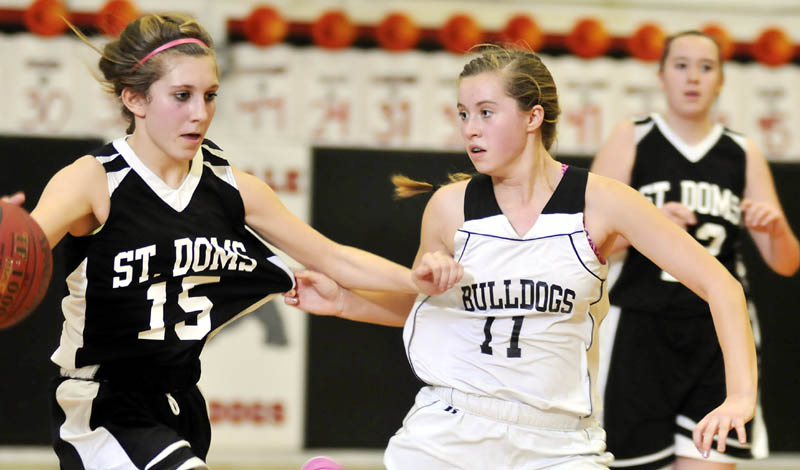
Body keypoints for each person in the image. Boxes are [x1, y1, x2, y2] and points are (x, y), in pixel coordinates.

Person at [284, 45, 759, 470]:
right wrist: (347, 302)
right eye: (463, 114)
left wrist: (740, 395)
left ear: (533, 117)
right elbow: (427, 309)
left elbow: (722, 286)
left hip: (560, 441)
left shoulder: (604, 201)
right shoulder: (450, 207)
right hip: (453, 428)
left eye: (487, 112)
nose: (471, 129)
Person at [31, 14, 458, 470]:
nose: (200, 112)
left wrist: (414, 280)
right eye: (182, 96)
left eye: (210, 95)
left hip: (182, 403)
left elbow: (332, 258)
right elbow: (23, 249)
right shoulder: (92, 181)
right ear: (134, 98)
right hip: (102, 402)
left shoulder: (232, 186)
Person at [591, 31, 800, 470]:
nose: (693, 78)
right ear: (661, 75)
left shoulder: (742, 151)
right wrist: (647, 227)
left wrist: (777, 229)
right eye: (681, 65)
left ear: (721, 80)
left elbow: (786, 263)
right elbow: (585, 242)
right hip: (640, 328)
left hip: (717, 334)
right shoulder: (631, 137)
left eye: (706, 67)